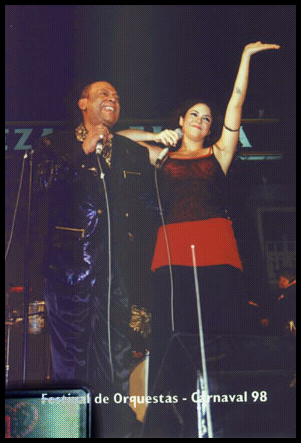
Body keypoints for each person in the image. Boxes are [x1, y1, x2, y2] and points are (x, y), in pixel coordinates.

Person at [118, 42, 281, 437]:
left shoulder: (219, 153)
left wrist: (243, 57)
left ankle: (226, 419)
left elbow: (236, 103)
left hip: (217, 249)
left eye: (207, 118)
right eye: (195, 115)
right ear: (181, 119)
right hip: (173, 250)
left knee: (221, 334)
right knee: (174, 334)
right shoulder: (161, 155)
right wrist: (160, 135)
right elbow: (122, 136)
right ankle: (169, 424)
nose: (202, 121)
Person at [35, 80, 158, 437]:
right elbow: (42, 185)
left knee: (116, 356)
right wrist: (81, 153)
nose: (113, 100)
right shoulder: (54, 144)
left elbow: (148, 206)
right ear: (83, 103)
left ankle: (115, 429)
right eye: (104, 95)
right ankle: (65, 430)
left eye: (117, 97)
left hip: (115, 272)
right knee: (70, 358)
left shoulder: (130, 152)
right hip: (69, 269)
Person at [261, 268, 296, 335]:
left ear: (283, 280)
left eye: (278, 279)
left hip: (288, 330)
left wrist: (269, 321)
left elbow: (283, 313)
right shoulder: (288, 292)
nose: (278, 282)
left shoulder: (288, 293)